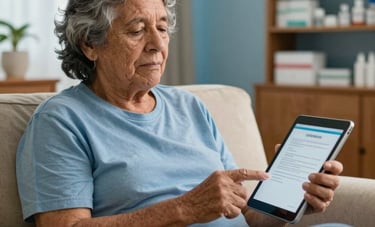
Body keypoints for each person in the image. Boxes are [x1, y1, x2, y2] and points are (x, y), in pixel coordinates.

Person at [16, 0, 343, 226]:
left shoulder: (190, 107)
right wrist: (184, 208)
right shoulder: (62, 121)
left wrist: (293, 202)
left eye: (162, 27)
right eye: (136, 30)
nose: (157, 43)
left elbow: (245, 217)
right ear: (90, 44)